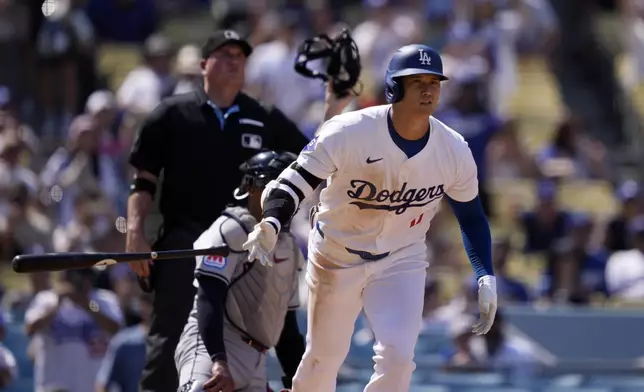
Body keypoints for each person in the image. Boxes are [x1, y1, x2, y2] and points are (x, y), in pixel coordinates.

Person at [242, 44, 498, 392]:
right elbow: (294, 180)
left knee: (399, 359)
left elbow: (471, 217)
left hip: (401, 258)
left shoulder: (453, 149)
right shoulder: (350, 131)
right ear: (393, 88)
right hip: (337, 254)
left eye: (434, 82)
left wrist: (485, 274)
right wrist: (271, 222)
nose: (428, 89)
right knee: (322, 361)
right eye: (417, 81)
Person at [126, 29, 343, 392]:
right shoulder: (171, 115)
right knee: (170, 337)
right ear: (202, 65)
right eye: (224, 55)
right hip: (186, 239)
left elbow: (314, 156)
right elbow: (143, 180)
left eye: (240, 57)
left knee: (267, 328)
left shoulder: (263, 116)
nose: (233, 62)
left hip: (249, 240)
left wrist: (333, 107)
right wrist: (135, 232)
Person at [174, 150, 305, 392]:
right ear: (251, 187)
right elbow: (208, 297)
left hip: (257, 357)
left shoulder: (290, 246)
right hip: (214, 346)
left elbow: (288, 326)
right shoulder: (230, 228)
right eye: (274, 187)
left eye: (292, 190)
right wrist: (218, 360)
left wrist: (296, 382)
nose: (284, 197)